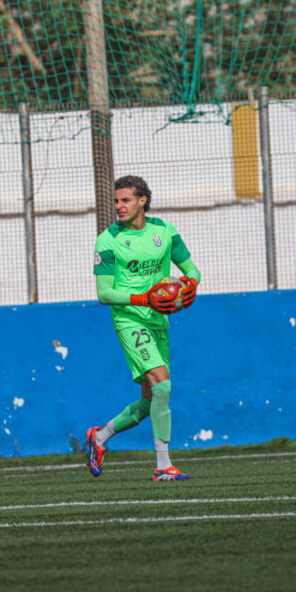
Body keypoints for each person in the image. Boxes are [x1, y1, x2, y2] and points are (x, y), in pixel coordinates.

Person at [87, 175, 200, 482]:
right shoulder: (108, 240)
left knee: (150, 402)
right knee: (163, 385)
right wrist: (142, 298)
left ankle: (100, 436)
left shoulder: (164, 231)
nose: (119, 206)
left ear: (142, 201)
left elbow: (191, 270)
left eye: (125, 200)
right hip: (129, 319)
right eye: (116, 201)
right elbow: (104, 294)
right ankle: (163, 466)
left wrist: (190, 286)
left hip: (158, 319)